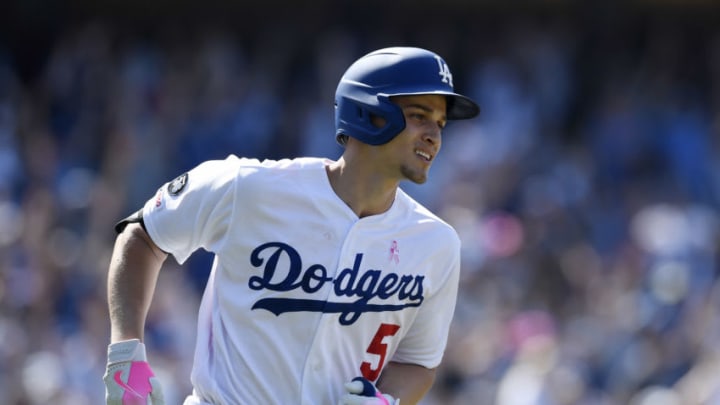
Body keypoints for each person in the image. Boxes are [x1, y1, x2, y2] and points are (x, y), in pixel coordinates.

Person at [103, 46, 480, 405]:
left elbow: (418, 362)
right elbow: (143, 236)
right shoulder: (247, 187)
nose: (434, 135)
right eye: (418, 115)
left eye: (440, 123)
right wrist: (125, 349)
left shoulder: (436, 244)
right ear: (369, 112)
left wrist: (387, 400)